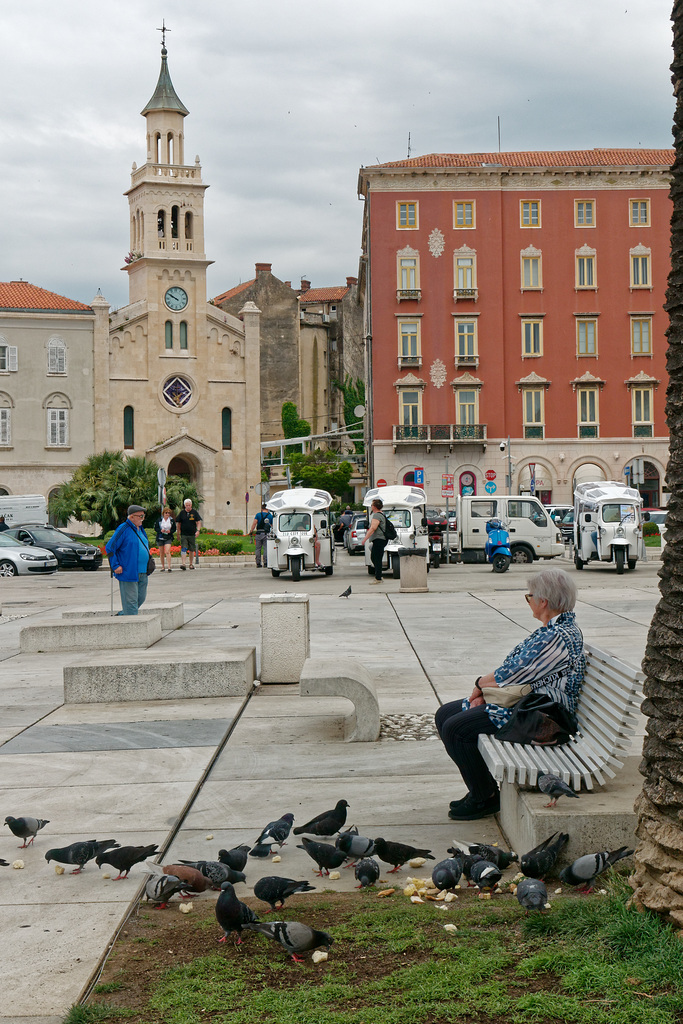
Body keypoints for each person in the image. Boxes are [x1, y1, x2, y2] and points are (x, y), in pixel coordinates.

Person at [435, 568, 585, 822]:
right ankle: (480, 788)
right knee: (446, 714)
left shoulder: (557, 636)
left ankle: (485, 797)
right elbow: (514, 668)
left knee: (456, 729)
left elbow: (514, 672)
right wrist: (485, 691)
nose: (529, 602)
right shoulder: (555, 630)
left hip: (543, 718)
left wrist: (480, 686)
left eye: (529, 597)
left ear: (543, 602)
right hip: (529, 704)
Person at [105, 504, 151, 616]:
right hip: (128, 571)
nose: (142, 519)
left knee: (141, 598)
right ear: (131, 517)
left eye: (143, 516)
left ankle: (122, 615)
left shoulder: (140, 529)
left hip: (143, 572)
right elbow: (110, 547)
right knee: (131, 602)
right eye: (140, 516)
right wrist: (115, 565)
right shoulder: (124, 528)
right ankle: (133, 628)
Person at [363, 498, 388, 584]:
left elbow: (373, 528)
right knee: (375, 557)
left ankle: (378, 578)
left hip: (379, 539)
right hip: (381, 539)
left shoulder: (376, 515)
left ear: (374, 506)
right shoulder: (382, 514)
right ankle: (379, 575)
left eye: (372, 505)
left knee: (376, 558)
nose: (371, 506)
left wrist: (365, 538)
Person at [176, 498, 202, 570]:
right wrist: (178, 533)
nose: (188, 507)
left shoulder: (194, 513)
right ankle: (183, 563)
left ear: (191, 505)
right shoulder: (182, 513)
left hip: (192, 534)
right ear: (184, 505)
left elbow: (198, 522)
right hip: (184, 534)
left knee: (191, 549)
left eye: (189, 505)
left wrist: (198, 530)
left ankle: (191, 564)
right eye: (187, 505)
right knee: (184, 548)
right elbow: (178, 523)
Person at [248, 503, 273, 568]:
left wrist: (251, 530)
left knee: (258, 549)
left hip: (258, 533)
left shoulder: (258, 515)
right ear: (267, 508)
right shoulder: (270, 516)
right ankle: (266, 562)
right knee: (266, 548)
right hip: (266, 534)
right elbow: (272, 526)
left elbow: (254, 523)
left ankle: (258, 563)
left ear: (262, 509)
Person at [155, 506, 176, 572]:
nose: (167, 514)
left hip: (168, 537)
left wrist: (170, 531)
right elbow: (156, 528)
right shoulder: (159, 520)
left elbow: (174, 528)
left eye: (169, 513)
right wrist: (161, 530)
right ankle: (163, 566)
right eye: (166, 513)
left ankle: (169, 567)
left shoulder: (171, 520)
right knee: (161, 553)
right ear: (163, 513)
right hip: (161, 537)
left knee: (167, 551)